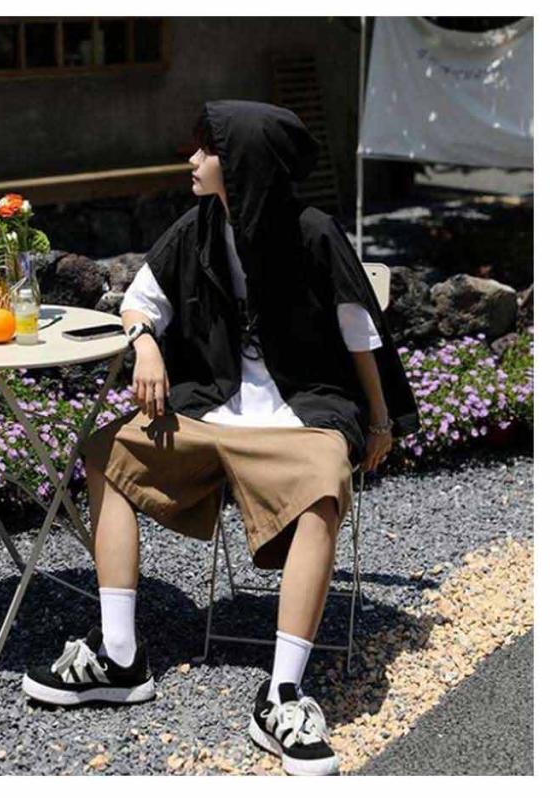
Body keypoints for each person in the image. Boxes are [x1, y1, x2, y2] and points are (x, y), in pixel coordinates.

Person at [22, 100, 420, 777]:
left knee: (324, 483)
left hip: (300, 414)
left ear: (242, 164)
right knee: (106, 453)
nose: (193, 160)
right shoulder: (200, 225)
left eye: (206, 150)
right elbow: (140, 300)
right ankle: (120, 657)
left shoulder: (313, 232)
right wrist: (146, 343)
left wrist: (378, 421)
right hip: (212, 409)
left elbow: (361, 336)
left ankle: (284, 695)